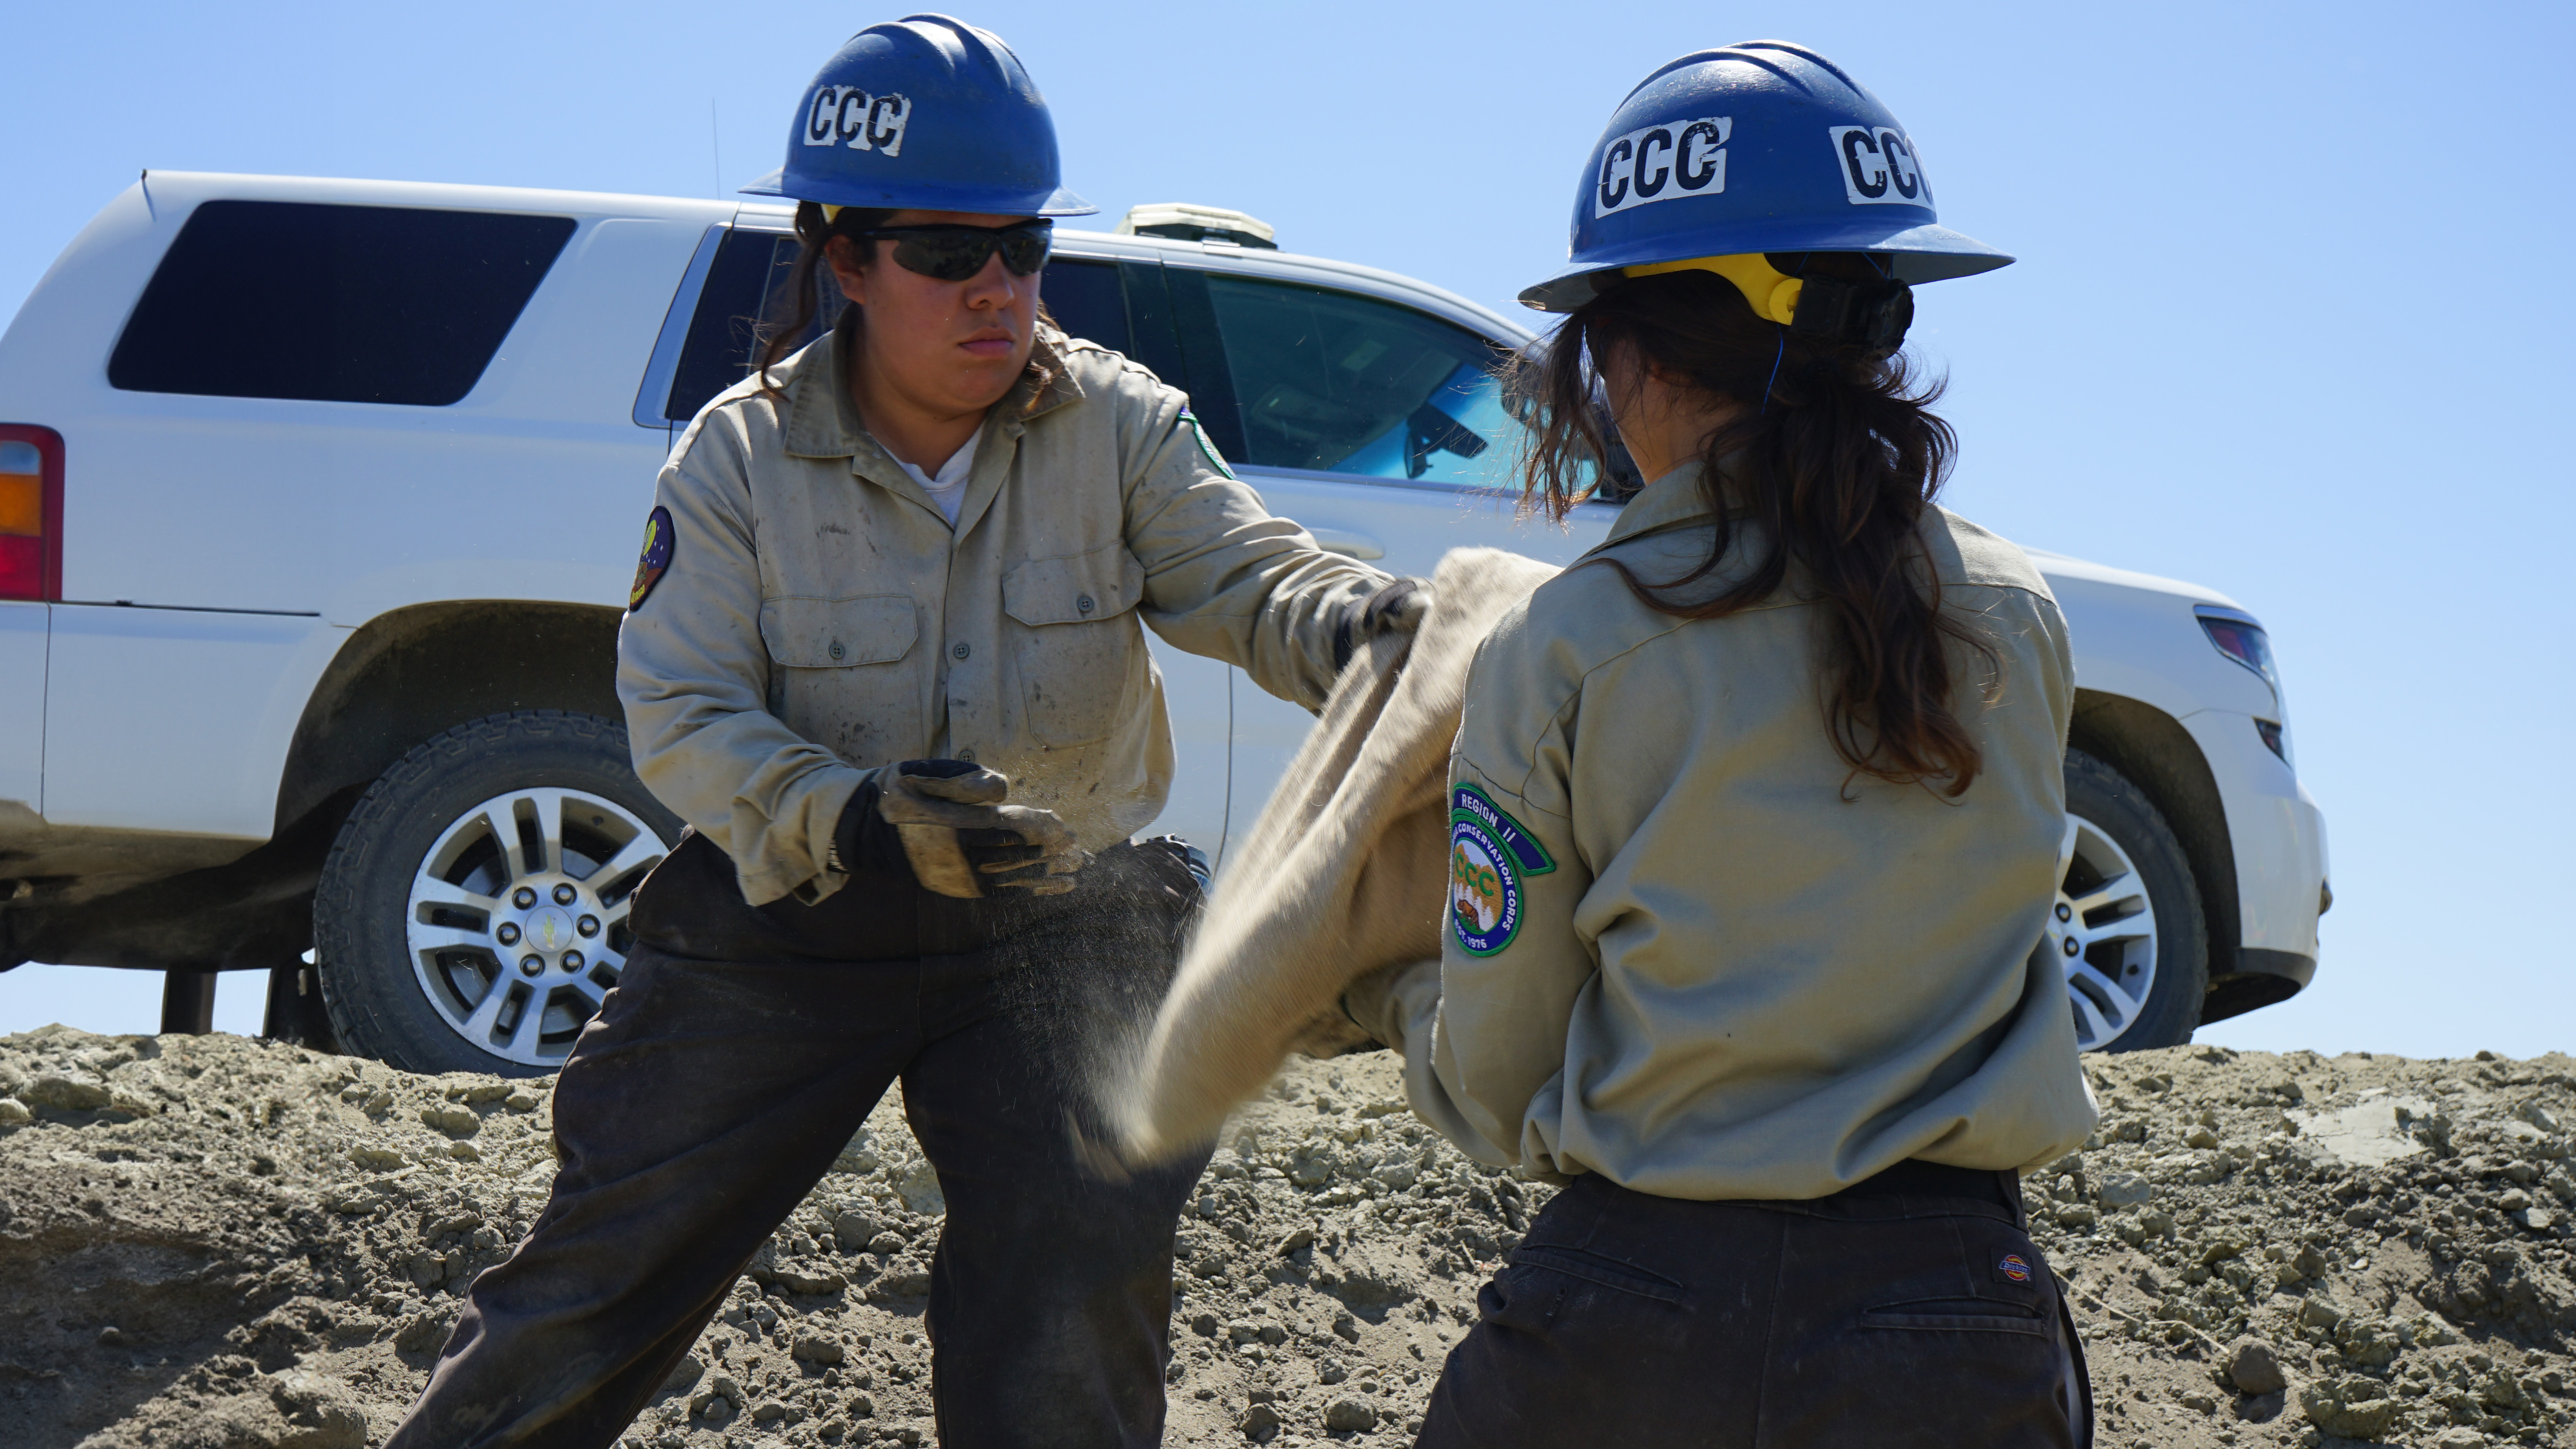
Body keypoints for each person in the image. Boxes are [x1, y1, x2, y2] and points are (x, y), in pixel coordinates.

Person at [387, 16, 1420, 1449]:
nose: (999, 289)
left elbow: (1254, 579)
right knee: (596, 1279)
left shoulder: (1121, 427)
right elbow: (678, 711)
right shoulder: (737, 458)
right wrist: (855, 815)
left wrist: (1379, 631)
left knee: (1073, 1285)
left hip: (1061, 927)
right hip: (790, 917)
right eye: (948, 253)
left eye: (1024, 248)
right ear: (847, 258)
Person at [1343, 40, 2099, 1448]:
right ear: (1876, 338)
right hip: (1955, 1320)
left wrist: (1390, 996)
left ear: (1622, 355)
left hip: (1633, 1311)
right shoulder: (2017, 615)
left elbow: (1502, 1076)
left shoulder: (1564, 645)